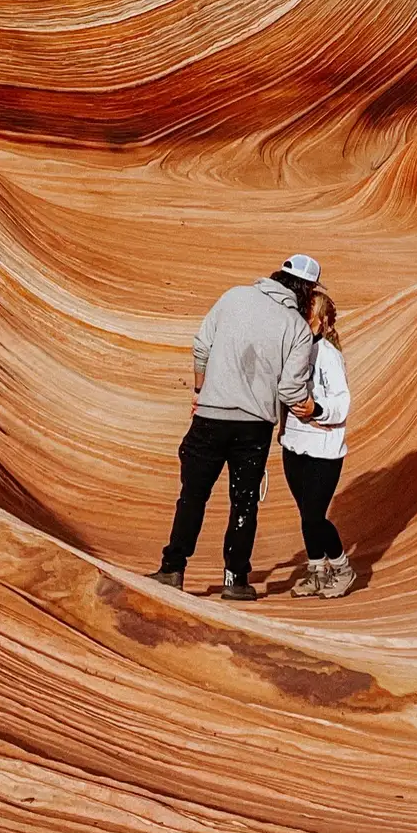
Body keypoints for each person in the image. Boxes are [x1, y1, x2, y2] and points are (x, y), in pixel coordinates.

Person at [151, 254, 319, 602]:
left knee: (193, 495)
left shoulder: (234, 297)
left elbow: (201, 345)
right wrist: (311, 409)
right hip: (253, 428)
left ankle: (172, 570)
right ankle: (235, 580)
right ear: (305, 291)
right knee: (244, 503)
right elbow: (290, 390)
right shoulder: (297, 327)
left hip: (210, 416)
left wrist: (201, 390)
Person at [282, 286, 356, 599]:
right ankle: (316, 571)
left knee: (314, 514)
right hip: (294, 444)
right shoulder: (294, 351)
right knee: (305, 514)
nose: (303, 316)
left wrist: (318, 409)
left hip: (324, 449)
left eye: (309, 312)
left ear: (322, 321)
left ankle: (342, 568)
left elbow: (343, 402)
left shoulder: (329, 355)